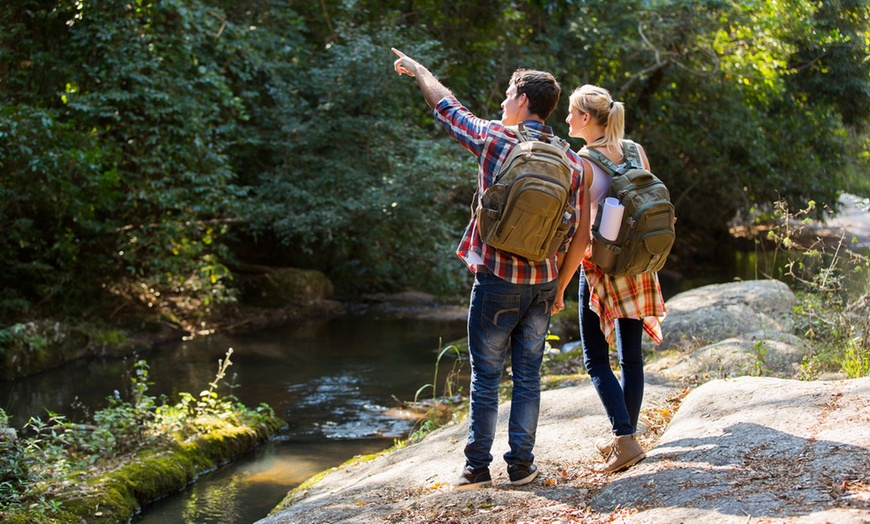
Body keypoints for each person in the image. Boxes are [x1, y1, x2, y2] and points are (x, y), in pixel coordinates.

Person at [391, 48, 589, 490]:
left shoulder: (496, 140)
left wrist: (421, 70)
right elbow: (575, 230)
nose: (502, 103)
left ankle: (476, 469)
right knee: (529, 377)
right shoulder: (572, 162)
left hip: (497, 279)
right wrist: (560, 285)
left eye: (506, 95)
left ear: (522, 99)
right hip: (542, 283)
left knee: (486, 378)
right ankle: (521, 466)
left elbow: (447, 108)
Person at [552, 84, 667, 473]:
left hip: (601, 269)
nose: (566, 119)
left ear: (586, 118)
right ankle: (628, 438)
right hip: (639, 265)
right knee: (631, 357)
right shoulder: (634, 149)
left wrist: (561, 282)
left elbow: (582, 234)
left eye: (571, 112)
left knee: (595, 359)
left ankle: (624, 438)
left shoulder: (583, 163)